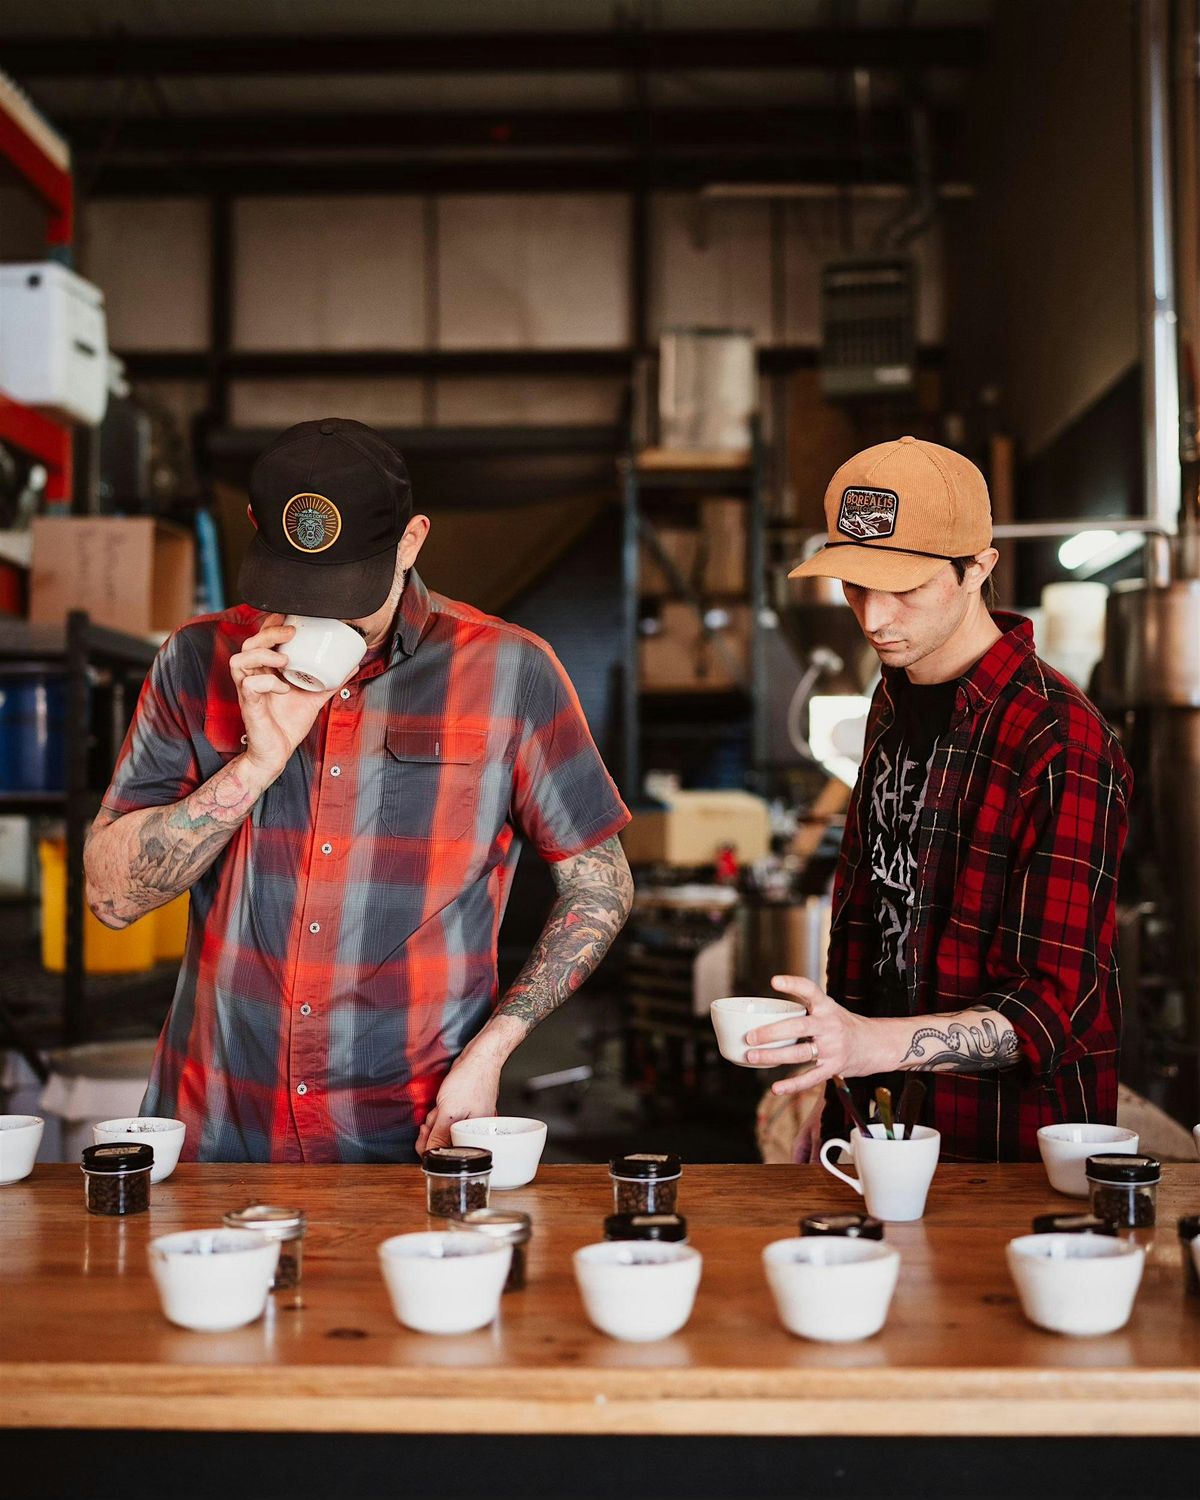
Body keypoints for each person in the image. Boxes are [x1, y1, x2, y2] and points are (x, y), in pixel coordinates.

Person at [84, 418, 634, 1163]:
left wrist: (495, 1047)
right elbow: (111, 899)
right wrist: (254, 765)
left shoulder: (511, 672)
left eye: (347, 591)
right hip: (222, 1120)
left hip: (413, 1129)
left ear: (411, 542)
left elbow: (599, 886)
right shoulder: (195, 660)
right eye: (295, 587)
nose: (319, 614)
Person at [745, 436, 1131, 1162]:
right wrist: (842, 1094)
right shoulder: (891, 701)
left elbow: (1051, 1008)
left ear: (977, 568)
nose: (874, 618)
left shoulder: (1059, 740)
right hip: (878, 1128)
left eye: (906, 588)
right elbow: (870, 929)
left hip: (1008, 1152)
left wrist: (867, 1044)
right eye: (855, 586)